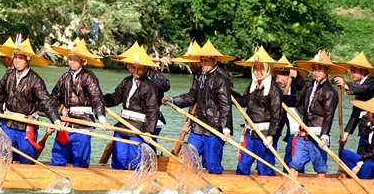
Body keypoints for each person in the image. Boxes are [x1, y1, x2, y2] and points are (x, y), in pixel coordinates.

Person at [164, 40, 234, 174]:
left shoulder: (221, 79)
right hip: (198, 126)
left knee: (212, 164)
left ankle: (217, 185)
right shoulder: (199, 76)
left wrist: (226, 129)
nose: (203, 64)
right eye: (202, 60)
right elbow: (192, 96)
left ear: (215, 61)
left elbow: (225, 106)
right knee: (189, 158)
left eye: (207, 61)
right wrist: (173, 99)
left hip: (214, 128)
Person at [0, 37, 59, 164]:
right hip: (8, 124)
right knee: (2, 160)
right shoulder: (9, 75)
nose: (17, 61)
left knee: (26, 162)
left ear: (28, 60)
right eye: (15, 57)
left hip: (26, 127)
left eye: (21, 58)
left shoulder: (36, 80)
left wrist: (55, 119)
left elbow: (46, 101)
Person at [49, 38, 107, 168]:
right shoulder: (65, 77)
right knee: (58, 157)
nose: (72, 62)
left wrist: (101, 116)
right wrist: (51, 117)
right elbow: (54, 98)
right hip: (65, 122)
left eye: (76, 59)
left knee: (80, 161)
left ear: (83, 61)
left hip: (83, 124)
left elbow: (97, 98)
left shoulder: (89, 77)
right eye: (70, 59)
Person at [284, 51, 343, 176]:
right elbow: (297, 100)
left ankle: (320, 190)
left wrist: (325, 135)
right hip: (304, 133)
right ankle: (288, 191)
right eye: (314, 69)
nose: (316, 72)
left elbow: (328, 115)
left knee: (320, 169)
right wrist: (279, 99)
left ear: (326, 71)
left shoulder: (330, 92)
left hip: (318, 135)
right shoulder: (310, 85)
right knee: (294, 165)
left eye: (319, 69)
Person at [104, 42, 159, 170]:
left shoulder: (150, 87)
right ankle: (117, 177)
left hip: (138, 128)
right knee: (119, 157)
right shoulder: (126, 81)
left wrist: (148, 132)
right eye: (133, 68)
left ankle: (134, 180)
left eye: (139, 68)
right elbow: (115, 98)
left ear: (145, 69)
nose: (135, 71)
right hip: (123, 125)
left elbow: (152, 111)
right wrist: (98, 100)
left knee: (134, 158)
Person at [232, 47, 283, 176]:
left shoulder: (274, 89)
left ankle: (267, 186)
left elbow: (277, 115)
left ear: (267, 69)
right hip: (250, 132)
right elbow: (245, 101)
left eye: (262, 68)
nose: (258, 71)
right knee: (243, 163)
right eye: (256, 68)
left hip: (265, 133)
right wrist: (229, 95)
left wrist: (271, 135)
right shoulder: (252, 85)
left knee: (264, 166)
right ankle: (240, 187)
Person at [333, 52, 374, 150]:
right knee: (360, 157)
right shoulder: (359, 86)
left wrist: (346, 85)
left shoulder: (373, 82)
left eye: (354, 71)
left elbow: (364, 88)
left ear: (363, 71)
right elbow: (355, 114)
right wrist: (346, 134)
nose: (351, 73)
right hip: (365, 128)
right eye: (351, 70)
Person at [274, 54, 307, 169]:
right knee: (289, 159)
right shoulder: (280, 90)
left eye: (280, 78)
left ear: (288, 76)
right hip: (291, 132)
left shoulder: (297, 86)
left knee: (293, 161)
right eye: (276, 78)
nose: (278, 81)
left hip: (300, 131)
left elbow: (303, 90)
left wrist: (297, 76)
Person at [340, 94, 374, 179]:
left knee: (367, 166)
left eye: (369, 112)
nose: (366, 114)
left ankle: (361, 184)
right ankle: (354, 175)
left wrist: (360, 163)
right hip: (367, 158)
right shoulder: (368, 125)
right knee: (344, 153)